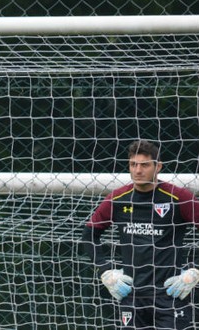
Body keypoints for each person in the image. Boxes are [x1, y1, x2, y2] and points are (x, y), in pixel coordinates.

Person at [81, 139, 199, 329]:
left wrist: (195, 272)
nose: (137, 170)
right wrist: (105, 271)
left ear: (158, 166)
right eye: (133, 164)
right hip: (131, 296)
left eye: (144, 165)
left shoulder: (179, 198)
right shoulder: (118, 199)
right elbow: (89, 235)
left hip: (170, 296)